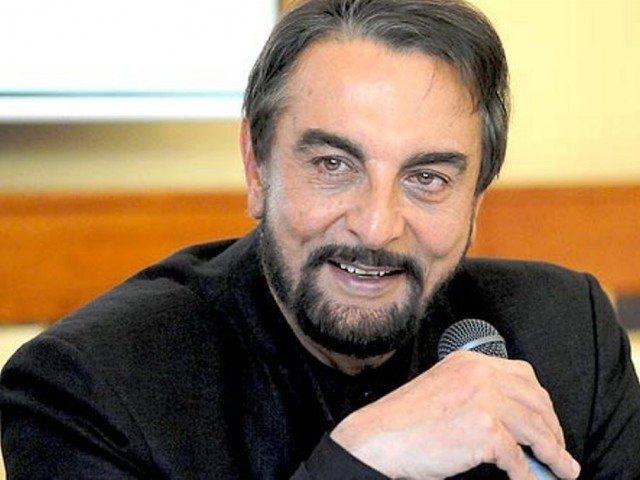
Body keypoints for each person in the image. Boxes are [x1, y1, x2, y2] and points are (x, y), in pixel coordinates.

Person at [1, 0, 639, 478]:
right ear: (257, 168)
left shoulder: (566, 337)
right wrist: (364, 457)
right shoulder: (87, 389)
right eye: (334, 165)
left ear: (476, 198)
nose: (377, 226)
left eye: (427, 178)